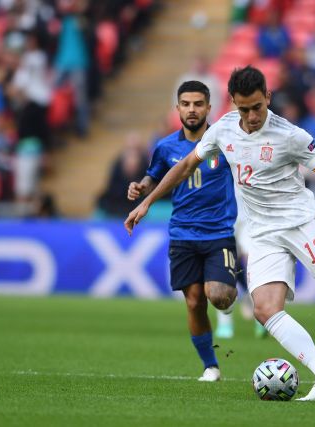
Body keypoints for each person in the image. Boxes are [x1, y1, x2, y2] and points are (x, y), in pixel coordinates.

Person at [124, 66, 315, 401]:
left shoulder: (290, 136)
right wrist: (148, 202)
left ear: (267, 97)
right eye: (244, 109)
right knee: (265, 309)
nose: (252, 116)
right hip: (263, 234)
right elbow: (184, 166)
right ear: (233, 104)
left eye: (257, 107)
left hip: (300, 223)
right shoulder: (225, 129)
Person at [126, 81, 238, 382]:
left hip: (219, 231)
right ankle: (211, 365)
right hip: (182, 233)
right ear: (177, 108)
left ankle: (229, 289)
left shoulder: (224, 142)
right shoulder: (165, 147)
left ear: (208, 108)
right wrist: (141, 187)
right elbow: (154, 177)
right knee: (193, 301)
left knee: (219, 296)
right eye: (186, 104)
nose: (192, 110)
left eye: (198, 104)